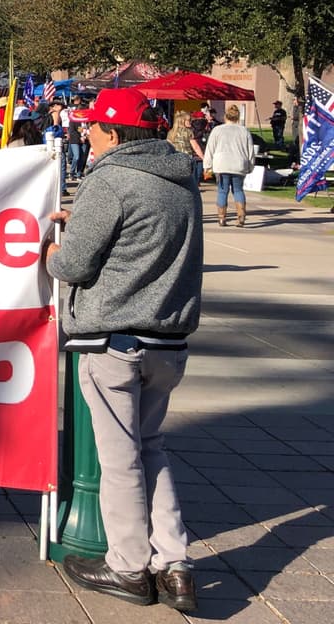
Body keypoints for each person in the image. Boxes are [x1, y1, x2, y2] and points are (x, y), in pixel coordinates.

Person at [44, 87, 201, 614]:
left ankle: (128, 566)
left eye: (92, 126)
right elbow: (139, 239)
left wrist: (50, 251)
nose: (84, 133)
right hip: (169, 341)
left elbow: (74, 267)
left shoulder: (108, 179)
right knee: (152, 448)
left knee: (120, 460)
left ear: (114, 134)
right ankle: (175, 564)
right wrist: (81, 226)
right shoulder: (181, 181)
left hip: (116, 342)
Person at [202, 104, 255, 228]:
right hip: (238, 164)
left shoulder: (217, 130)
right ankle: (241, 216)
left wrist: (207, 165)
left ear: (225, 116)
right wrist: (250, 165)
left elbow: (210, 149)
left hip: (222, 164)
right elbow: (250, 150)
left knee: (222, 191)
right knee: (238, 190)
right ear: (237, 117)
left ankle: (222, 218)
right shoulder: (244, 130)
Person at [166, 112, 204, 186]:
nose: (191, 122)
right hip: (187, 158)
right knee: (189, 179)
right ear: (183, 121)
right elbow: (195, 147)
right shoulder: (188, 132)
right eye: (189, 120)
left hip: (174, 158)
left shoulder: (171, 132)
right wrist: (203, 157)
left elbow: (168, 145)